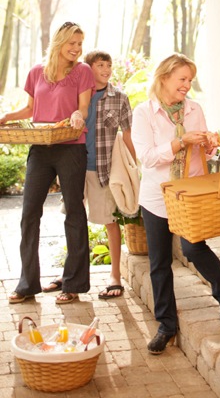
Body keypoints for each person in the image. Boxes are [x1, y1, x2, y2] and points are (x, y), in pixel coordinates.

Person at [131, 53, 220, 355]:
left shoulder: (194, 110)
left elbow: (202, 155)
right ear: (164, 77)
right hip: (156, 196)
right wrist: (181, 142)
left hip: (188, 194)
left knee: (193, 249)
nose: (187, 85)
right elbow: (148, 157)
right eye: (182, 79)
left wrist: (207, 145)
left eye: (190, 80)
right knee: (159, 263)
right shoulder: (144, 113)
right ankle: (166, 325)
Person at [0, 22, 95, 305]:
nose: (77, 49)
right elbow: (30, 109)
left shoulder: (83, 71)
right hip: (40, 149)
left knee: (74, 213)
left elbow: (84, 107)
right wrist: (6, 117)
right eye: (72, 43)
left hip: (71, 149)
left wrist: (78, 116)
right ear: (59, 42)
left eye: (80, 43)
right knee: (29, 213)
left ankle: (74, 283)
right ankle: (28, 284)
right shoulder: (36, 72)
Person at [42, 50, 136, 300]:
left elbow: (127, 136)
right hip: (72, 166)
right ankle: (70, 275)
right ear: (87, 68)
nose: (106, 69)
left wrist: (136, 169)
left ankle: (115, 275)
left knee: (109, 221)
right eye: (100, 65)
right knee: (73, 220)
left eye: (109, 65)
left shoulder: (120, 98)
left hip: (101, 169)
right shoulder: (75, 95)